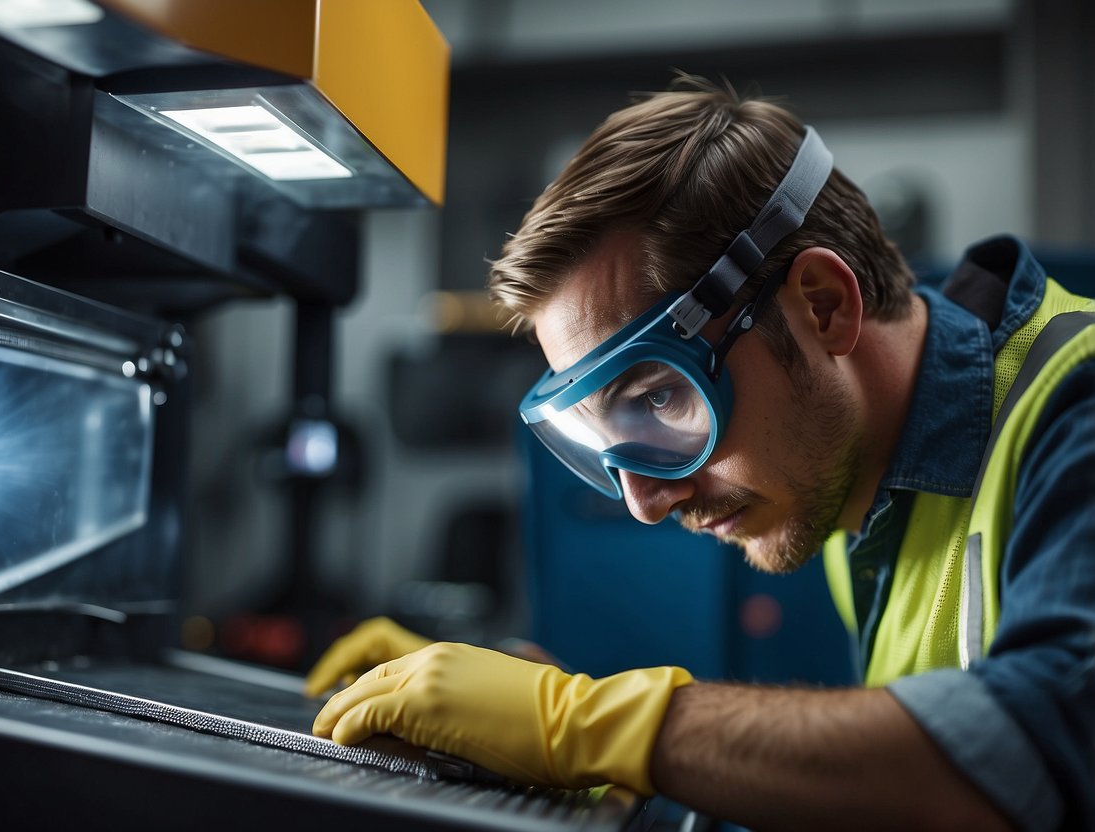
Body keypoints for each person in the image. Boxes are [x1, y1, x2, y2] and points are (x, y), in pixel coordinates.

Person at [306, 78, 1095, 830]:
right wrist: (534, 712)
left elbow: (1024, 760)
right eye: (601, 435)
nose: (646, 502)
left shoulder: (1074, 409)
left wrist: (584, 725)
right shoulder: (858, 474)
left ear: (821, 307)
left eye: (657, 397)